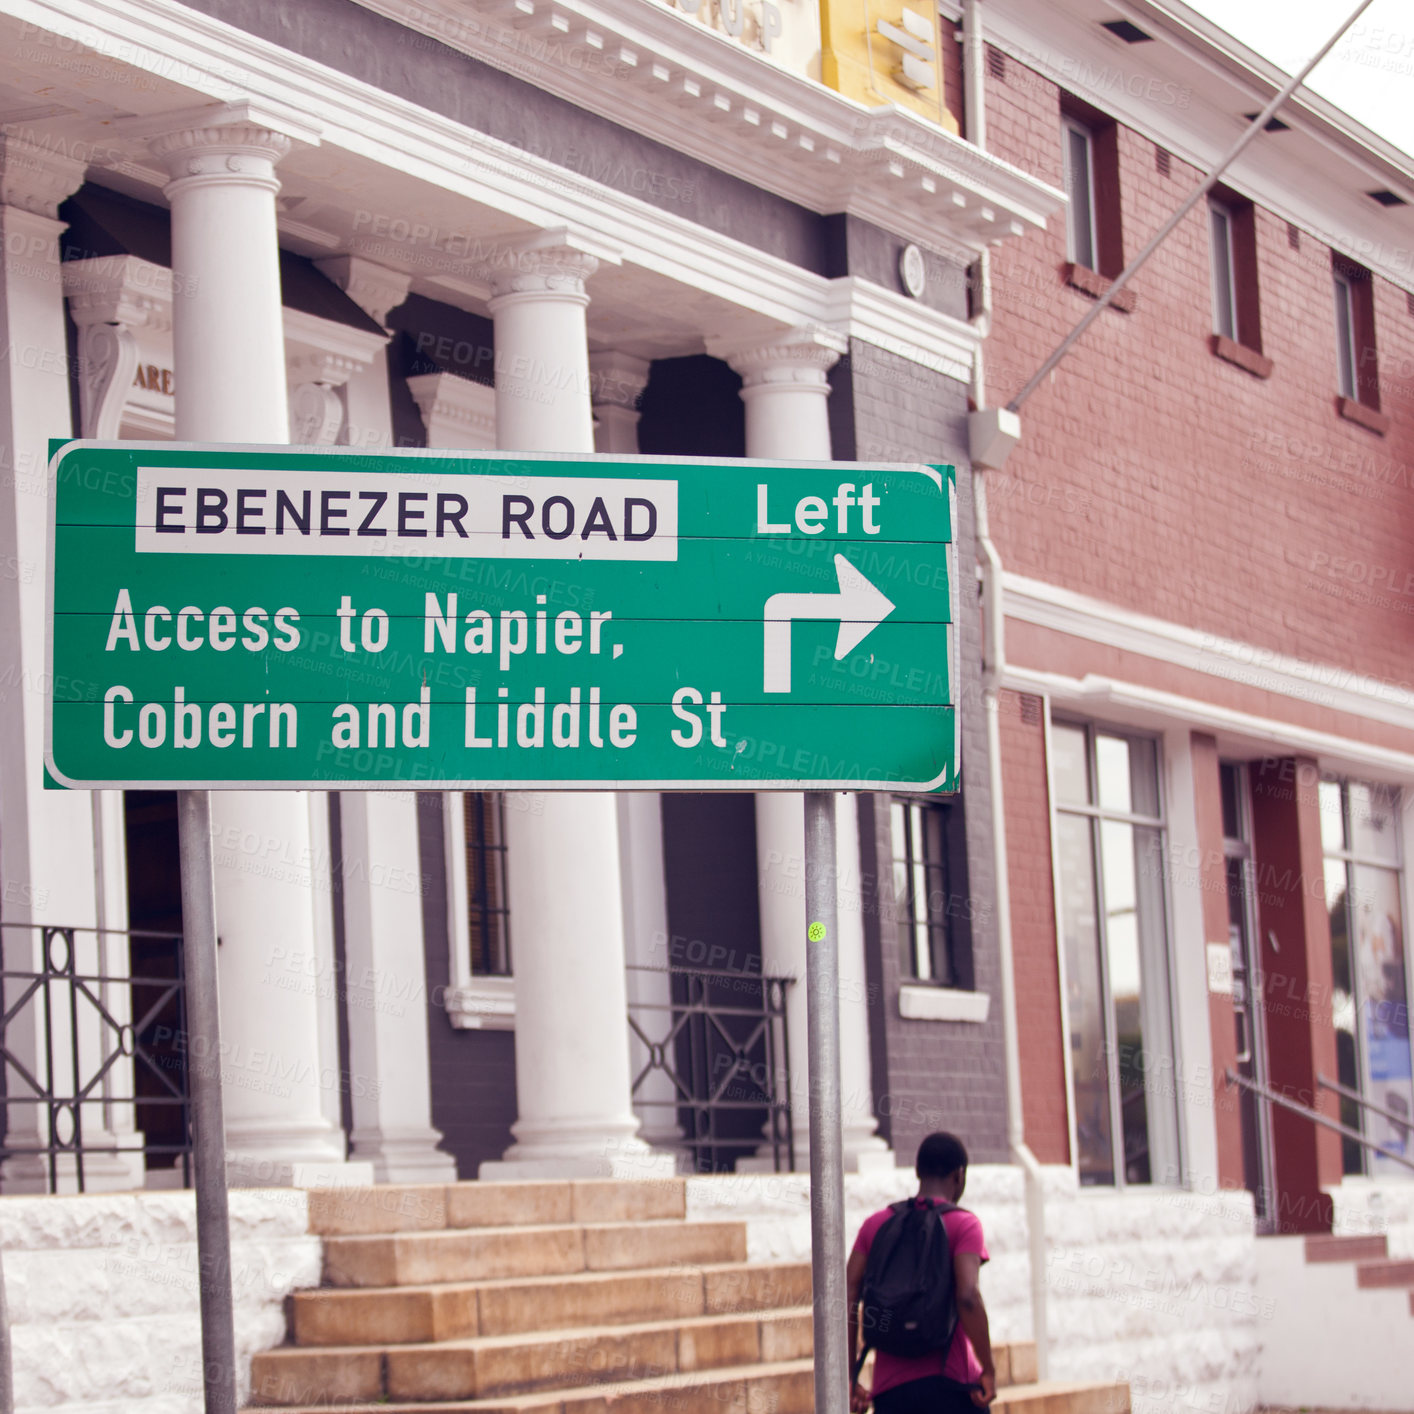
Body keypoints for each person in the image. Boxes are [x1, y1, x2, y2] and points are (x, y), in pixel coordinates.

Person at [846, 1132, 996, 1414]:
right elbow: (967, 1296)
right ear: (959, 1175)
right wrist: (988, 1368)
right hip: (951, 1386)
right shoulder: (963, 1224)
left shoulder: (875, 1225)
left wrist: (850, 1376)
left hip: (891, 1392)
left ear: (917, 1171)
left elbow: (847, 1294)